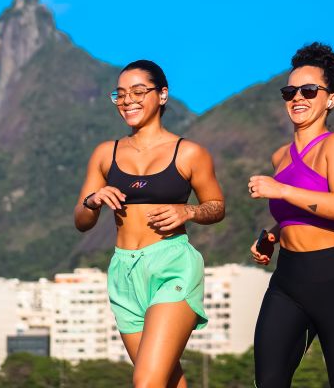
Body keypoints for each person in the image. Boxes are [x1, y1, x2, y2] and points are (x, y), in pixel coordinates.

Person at [74, 60, 225, 388]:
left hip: (171, 265)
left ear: (163, 95)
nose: (128, 101)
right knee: (167, 379)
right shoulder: (105, 153)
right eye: (121, 94)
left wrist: (189, 212)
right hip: (123, 272)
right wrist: (93, 200)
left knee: (147, 382)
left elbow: (216, 206)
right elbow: (82, 221)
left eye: (138, 92)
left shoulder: (189, 153)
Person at [248, 43, 334, 387]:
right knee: (269, 381)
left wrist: (282, 191)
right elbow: (297, 213)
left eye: (309, 90)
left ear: (330, 100)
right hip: (288, 282)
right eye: (290, 91)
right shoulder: (281, 157)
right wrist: (274, 234)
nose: (298, 98)